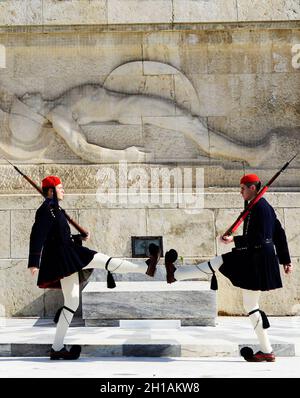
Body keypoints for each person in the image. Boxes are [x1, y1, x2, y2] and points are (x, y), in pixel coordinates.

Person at [28, 175, 163, 360]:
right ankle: (145, 267)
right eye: (60, 188)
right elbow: (37, 235)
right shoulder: (46, 210)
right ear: (51, 191)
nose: (63, 190)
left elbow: (59, 236)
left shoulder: (56, 209)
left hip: (68, 257)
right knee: (104, 260)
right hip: (65, 257)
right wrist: (34, 262)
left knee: (72, 301)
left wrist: (78, 238)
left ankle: (57, 348)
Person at [165, 173, 292, 362]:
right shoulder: (256, 206)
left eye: (242, 188)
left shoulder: (261, 208)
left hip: (257, 257)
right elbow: (279, 233)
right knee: (250, 305)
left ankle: (177, 274)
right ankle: (267, 351)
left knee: (221, 262)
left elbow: (264, 236)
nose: (240, 191)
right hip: (256, 255)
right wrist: (285, 260)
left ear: (252, 188)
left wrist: (235, 239)